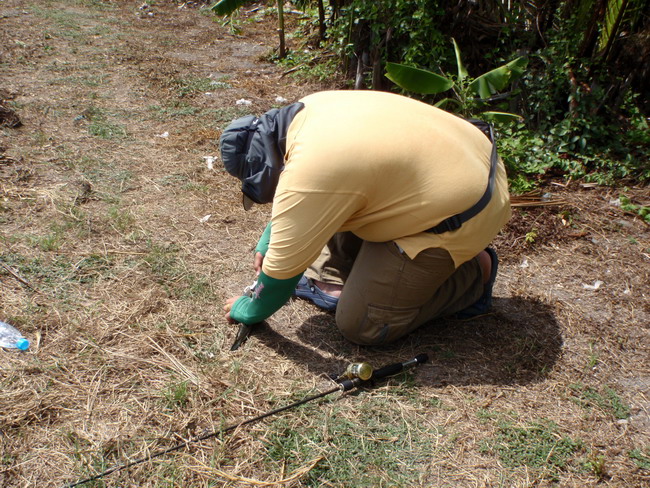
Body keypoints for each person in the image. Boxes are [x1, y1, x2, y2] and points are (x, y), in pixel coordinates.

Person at [220, 90, 511, 346]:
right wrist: (267, 242)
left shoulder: (313, 170)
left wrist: (248, 308)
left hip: (469, 209)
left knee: (361, 324)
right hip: (469, 163)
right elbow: (306, 188)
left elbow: (278, 281)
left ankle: (475, 274)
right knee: (332, 218)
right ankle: (369, 277)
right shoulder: (310, 109)